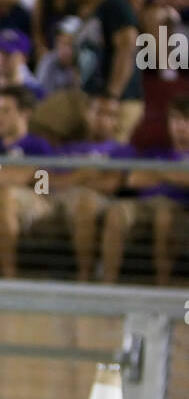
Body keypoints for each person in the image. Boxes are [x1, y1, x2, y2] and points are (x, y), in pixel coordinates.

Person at [0, 86, 53, 278]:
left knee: (4, 196)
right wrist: (7, 174)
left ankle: (9, 277)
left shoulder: (38, 145)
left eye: (6, 110)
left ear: (25, 114)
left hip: (34, 200)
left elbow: (40, 185)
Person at [101, 94, 189, 284]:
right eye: (175, 119)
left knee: (164, 216)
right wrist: (173, 175)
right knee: (117, 210)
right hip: (144, 204)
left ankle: (161, 286)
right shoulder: (156, 152)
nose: (180, 126)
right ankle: (107, 284)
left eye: (186, 120)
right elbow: (133, 179)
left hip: (179, 208)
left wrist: (159, 173)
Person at [49, 93, 131, 280]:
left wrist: (68, 180)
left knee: (84, 201)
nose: (102, 120)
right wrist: (81, 175)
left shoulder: (121, 150)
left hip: (97, 201)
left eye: (110, 115)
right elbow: (41, 184)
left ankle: (85, 275)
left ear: (116, 121)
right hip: (57, 200)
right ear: (87, 114)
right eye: (98, 112)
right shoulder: (63, 149)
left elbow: (111, 184)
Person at [72, 0, 144, 141]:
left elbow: (128, 46)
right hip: (93, 98)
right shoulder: (88, 14)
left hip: (120, 100)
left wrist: (113, 94)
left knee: (110, 157)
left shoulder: (114, 4)